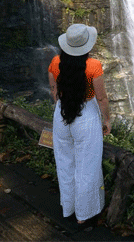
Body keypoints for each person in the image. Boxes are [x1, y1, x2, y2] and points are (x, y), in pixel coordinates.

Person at [48, 23, 111, 224]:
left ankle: (69, 208)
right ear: (86, 46)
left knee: (65, 163)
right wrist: (107, 120)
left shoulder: (55, 62)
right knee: (87, 166)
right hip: (86, 117)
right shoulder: (93, 66)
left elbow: (54, 91)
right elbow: (101, 98)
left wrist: (62, 108)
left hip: (62, 114)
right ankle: (83, 216)